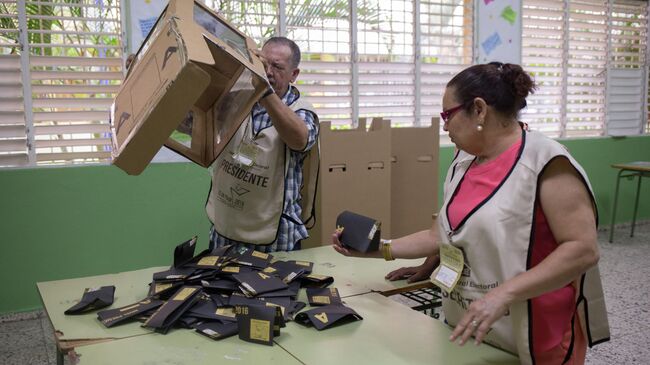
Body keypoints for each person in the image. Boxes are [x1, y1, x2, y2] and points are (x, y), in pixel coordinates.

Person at [333, 62, 609, 364]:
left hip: (533, 331)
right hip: (470, 323)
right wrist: (378, 249)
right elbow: (438, 235)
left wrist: (503, 294)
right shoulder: (464, 162)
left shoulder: (547, 163)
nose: (445, 126)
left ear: (478, 110)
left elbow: (582, 249)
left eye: (447, 115)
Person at [206, 36, 319, 253]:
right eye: (263, 64)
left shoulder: (302, 111)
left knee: (275, 288)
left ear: (293, 75)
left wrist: (264, 90)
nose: (268, 72)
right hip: (226, 231)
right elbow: (195, 125)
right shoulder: (236, 98)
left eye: (277, 67)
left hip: (276, 238)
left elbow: (299, 139)